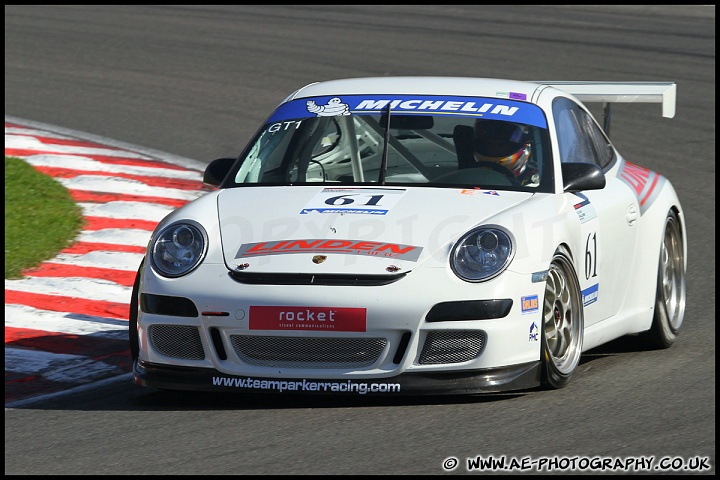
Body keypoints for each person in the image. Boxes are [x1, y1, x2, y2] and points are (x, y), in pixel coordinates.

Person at [472, 119, 538, 185]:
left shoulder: (537, 181)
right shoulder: (466, 175)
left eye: (502, 146)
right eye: (488, 145)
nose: (494, 150)